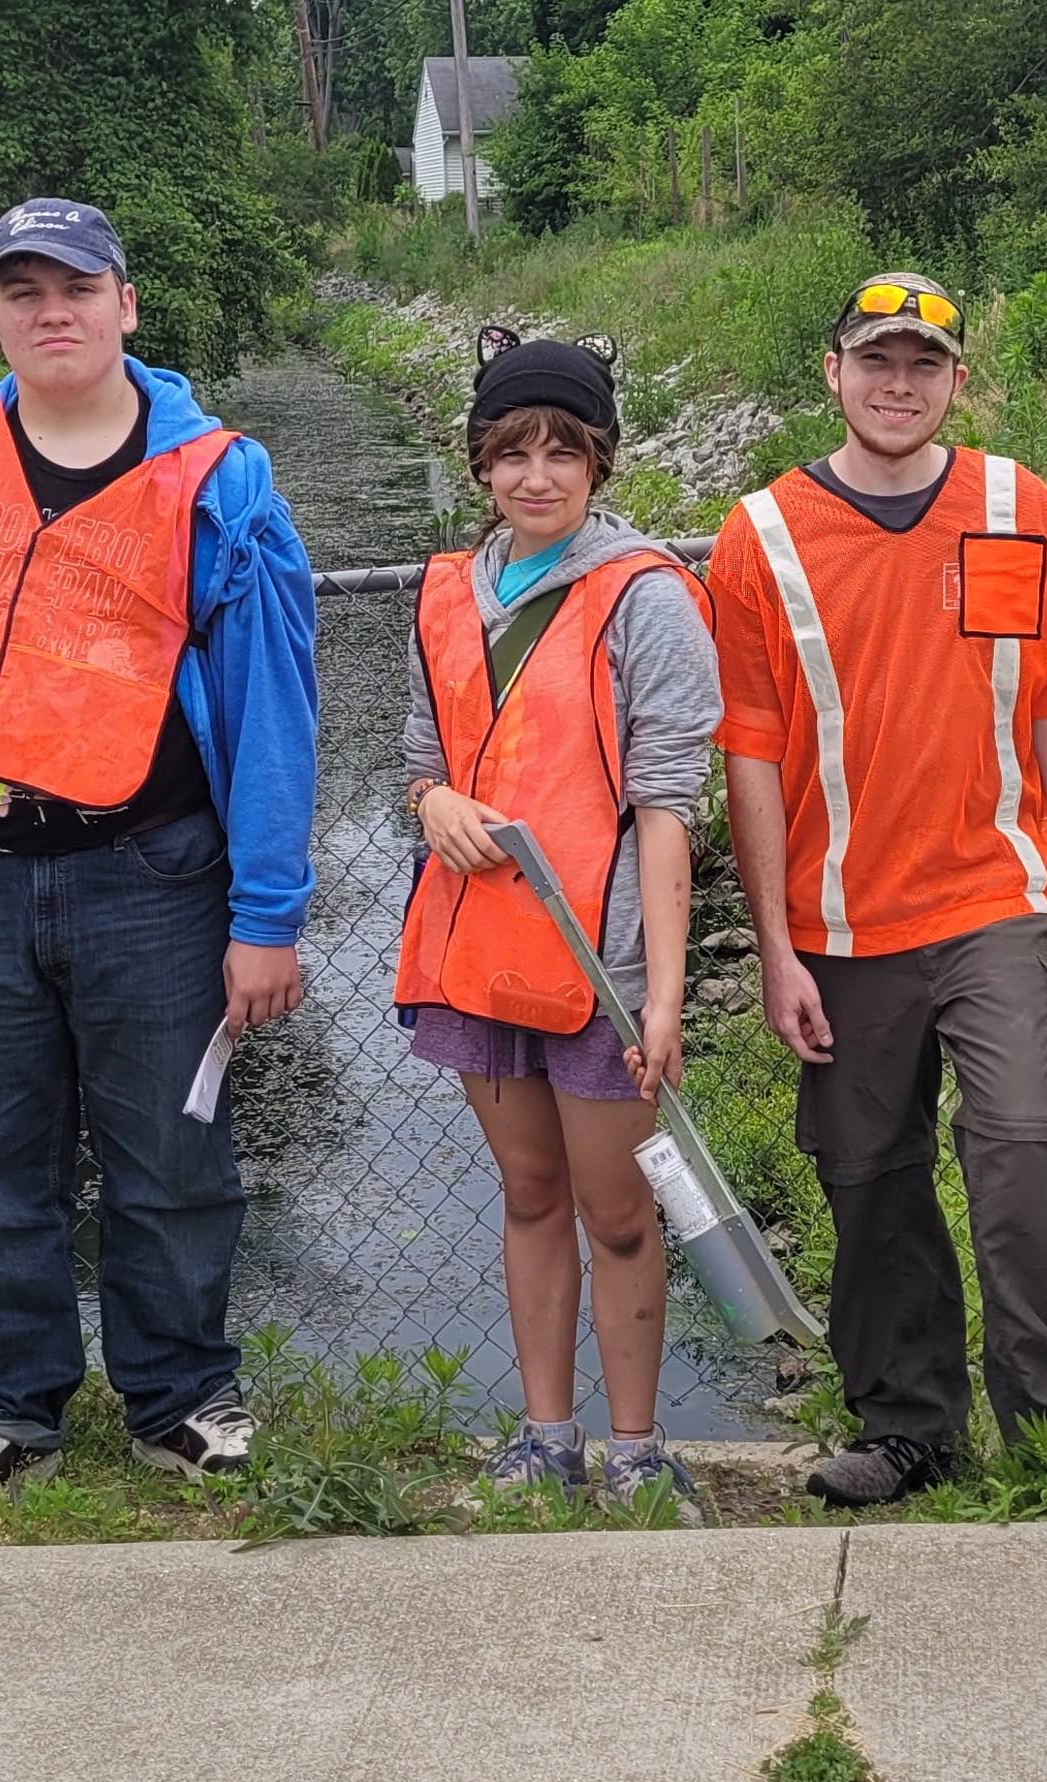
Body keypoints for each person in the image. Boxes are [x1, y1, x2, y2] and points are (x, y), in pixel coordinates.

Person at [0, 198, 321, 1501]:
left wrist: (266, 910)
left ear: (126, 306)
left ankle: (180, 1395)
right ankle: (3, 1406)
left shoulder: (221, 478)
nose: (54, 309)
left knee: (172, 1155)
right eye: (25, 288)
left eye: (80, 285)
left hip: (153, 874)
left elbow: (275, 699)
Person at [707, 272, 1047, 1508]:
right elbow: (747, 751)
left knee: (1020, 1152)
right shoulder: (763, 534)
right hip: (838, 926)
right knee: (869, 1178)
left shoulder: (1015, 505)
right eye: (875, 361)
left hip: (995, 901)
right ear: (832, 373)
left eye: (925, 365)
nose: (899, 386)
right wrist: (777, 946)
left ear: (956, 382)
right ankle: (908, 1425)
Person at [393, 329, 722, 1518]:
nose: (537, 475)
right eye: (513, 452)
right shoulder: (446, 593)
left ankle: (635, 1447)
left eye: (562, 452)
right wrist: (435, 804)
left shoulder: (645, 598)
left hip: (604, 961)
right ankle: (545, 1435)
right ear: (481, 464)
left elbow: (665, 805)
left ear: (599, 464)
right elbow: (420, 761)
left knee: (617, 1209)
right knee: (529, 1195)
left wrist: (666, 997)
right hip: (480, 950)